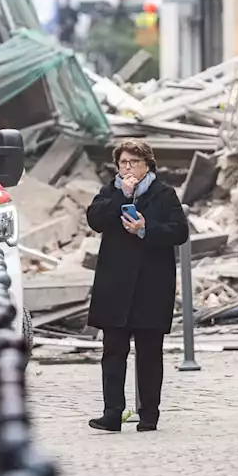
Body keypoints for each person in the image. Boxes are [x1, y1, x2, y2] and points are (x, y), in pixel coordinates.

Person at [85, 139, 190, 432]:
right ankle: (112, 413)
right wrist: (123, 197)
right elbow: (95, 219)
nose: (128, 168)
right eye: (123, 163)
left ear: (147, 165)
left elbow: (179, 231)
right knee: (113, 351)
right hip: (115, 285)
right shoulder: (111, 191)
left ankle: (149, 414)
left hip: (150, 286)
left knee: (149, 353)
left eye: (133, 163)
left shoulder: (164, 194)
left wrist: (145, 229)